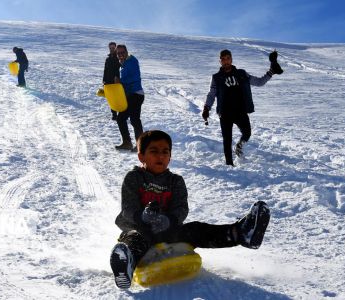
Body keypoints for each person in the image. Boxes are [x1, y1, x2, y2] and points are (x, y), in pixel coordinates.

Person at [110, 130, 271, 289]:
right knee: (134, 239)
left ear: (170, 157)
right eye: (154, 151)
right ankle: (126, 264)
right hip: (140, 229)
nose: (160, 156)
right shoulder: (134, 178)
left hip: (167, 231)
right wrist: (143, 217)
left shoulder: (176, 181)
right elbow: (128, 208)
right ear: (141, 156)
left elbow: (181, 208)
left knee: (196, 230)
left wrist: (169, 220)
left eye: (165, 152)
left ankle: (241, 233)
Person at [202, 49, 283, 166]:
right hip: (225, 113)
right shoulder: (216, 77)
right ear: (220, 61)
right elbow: (211, 94)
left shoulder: (242, 73)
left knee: (247, 133)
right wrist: (206, 108)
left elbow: (259, 82)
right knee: (227, 140)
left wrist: (271, 72)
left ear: (231, 59)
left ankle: (239, 146)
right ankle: (229, 164)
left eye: (228, 58)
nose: (226, 61)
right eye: (223, 59)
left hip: (240, 111)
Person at [114, 44, 145, 151]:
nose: (120, 55)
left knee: (134, 119)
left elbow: (134, 77)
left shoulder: (132, 61)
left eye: (122, 52)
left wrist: (120, 81)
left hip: (136, 94)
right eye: (118, 53)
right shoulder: (123, 64)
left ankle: (140, 145)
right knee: (121, 118)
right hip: (129, 95)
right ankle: (127, 143)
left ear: (126, 51)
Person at [103, 42, 121, 120]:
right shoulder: (108, 58)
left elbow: (121, 69)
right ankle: (114, 115)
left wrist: (118, 77)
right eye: (110, 48)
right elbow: (105, 70)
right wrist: (104, 80)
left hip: (117, 82)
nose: (111, 49)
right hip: (108, 82)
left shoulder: (119, 58)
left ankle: (121, 114)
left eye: (113, 48)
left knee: (118, 99)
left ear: (115, 48)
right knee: (111, 99)